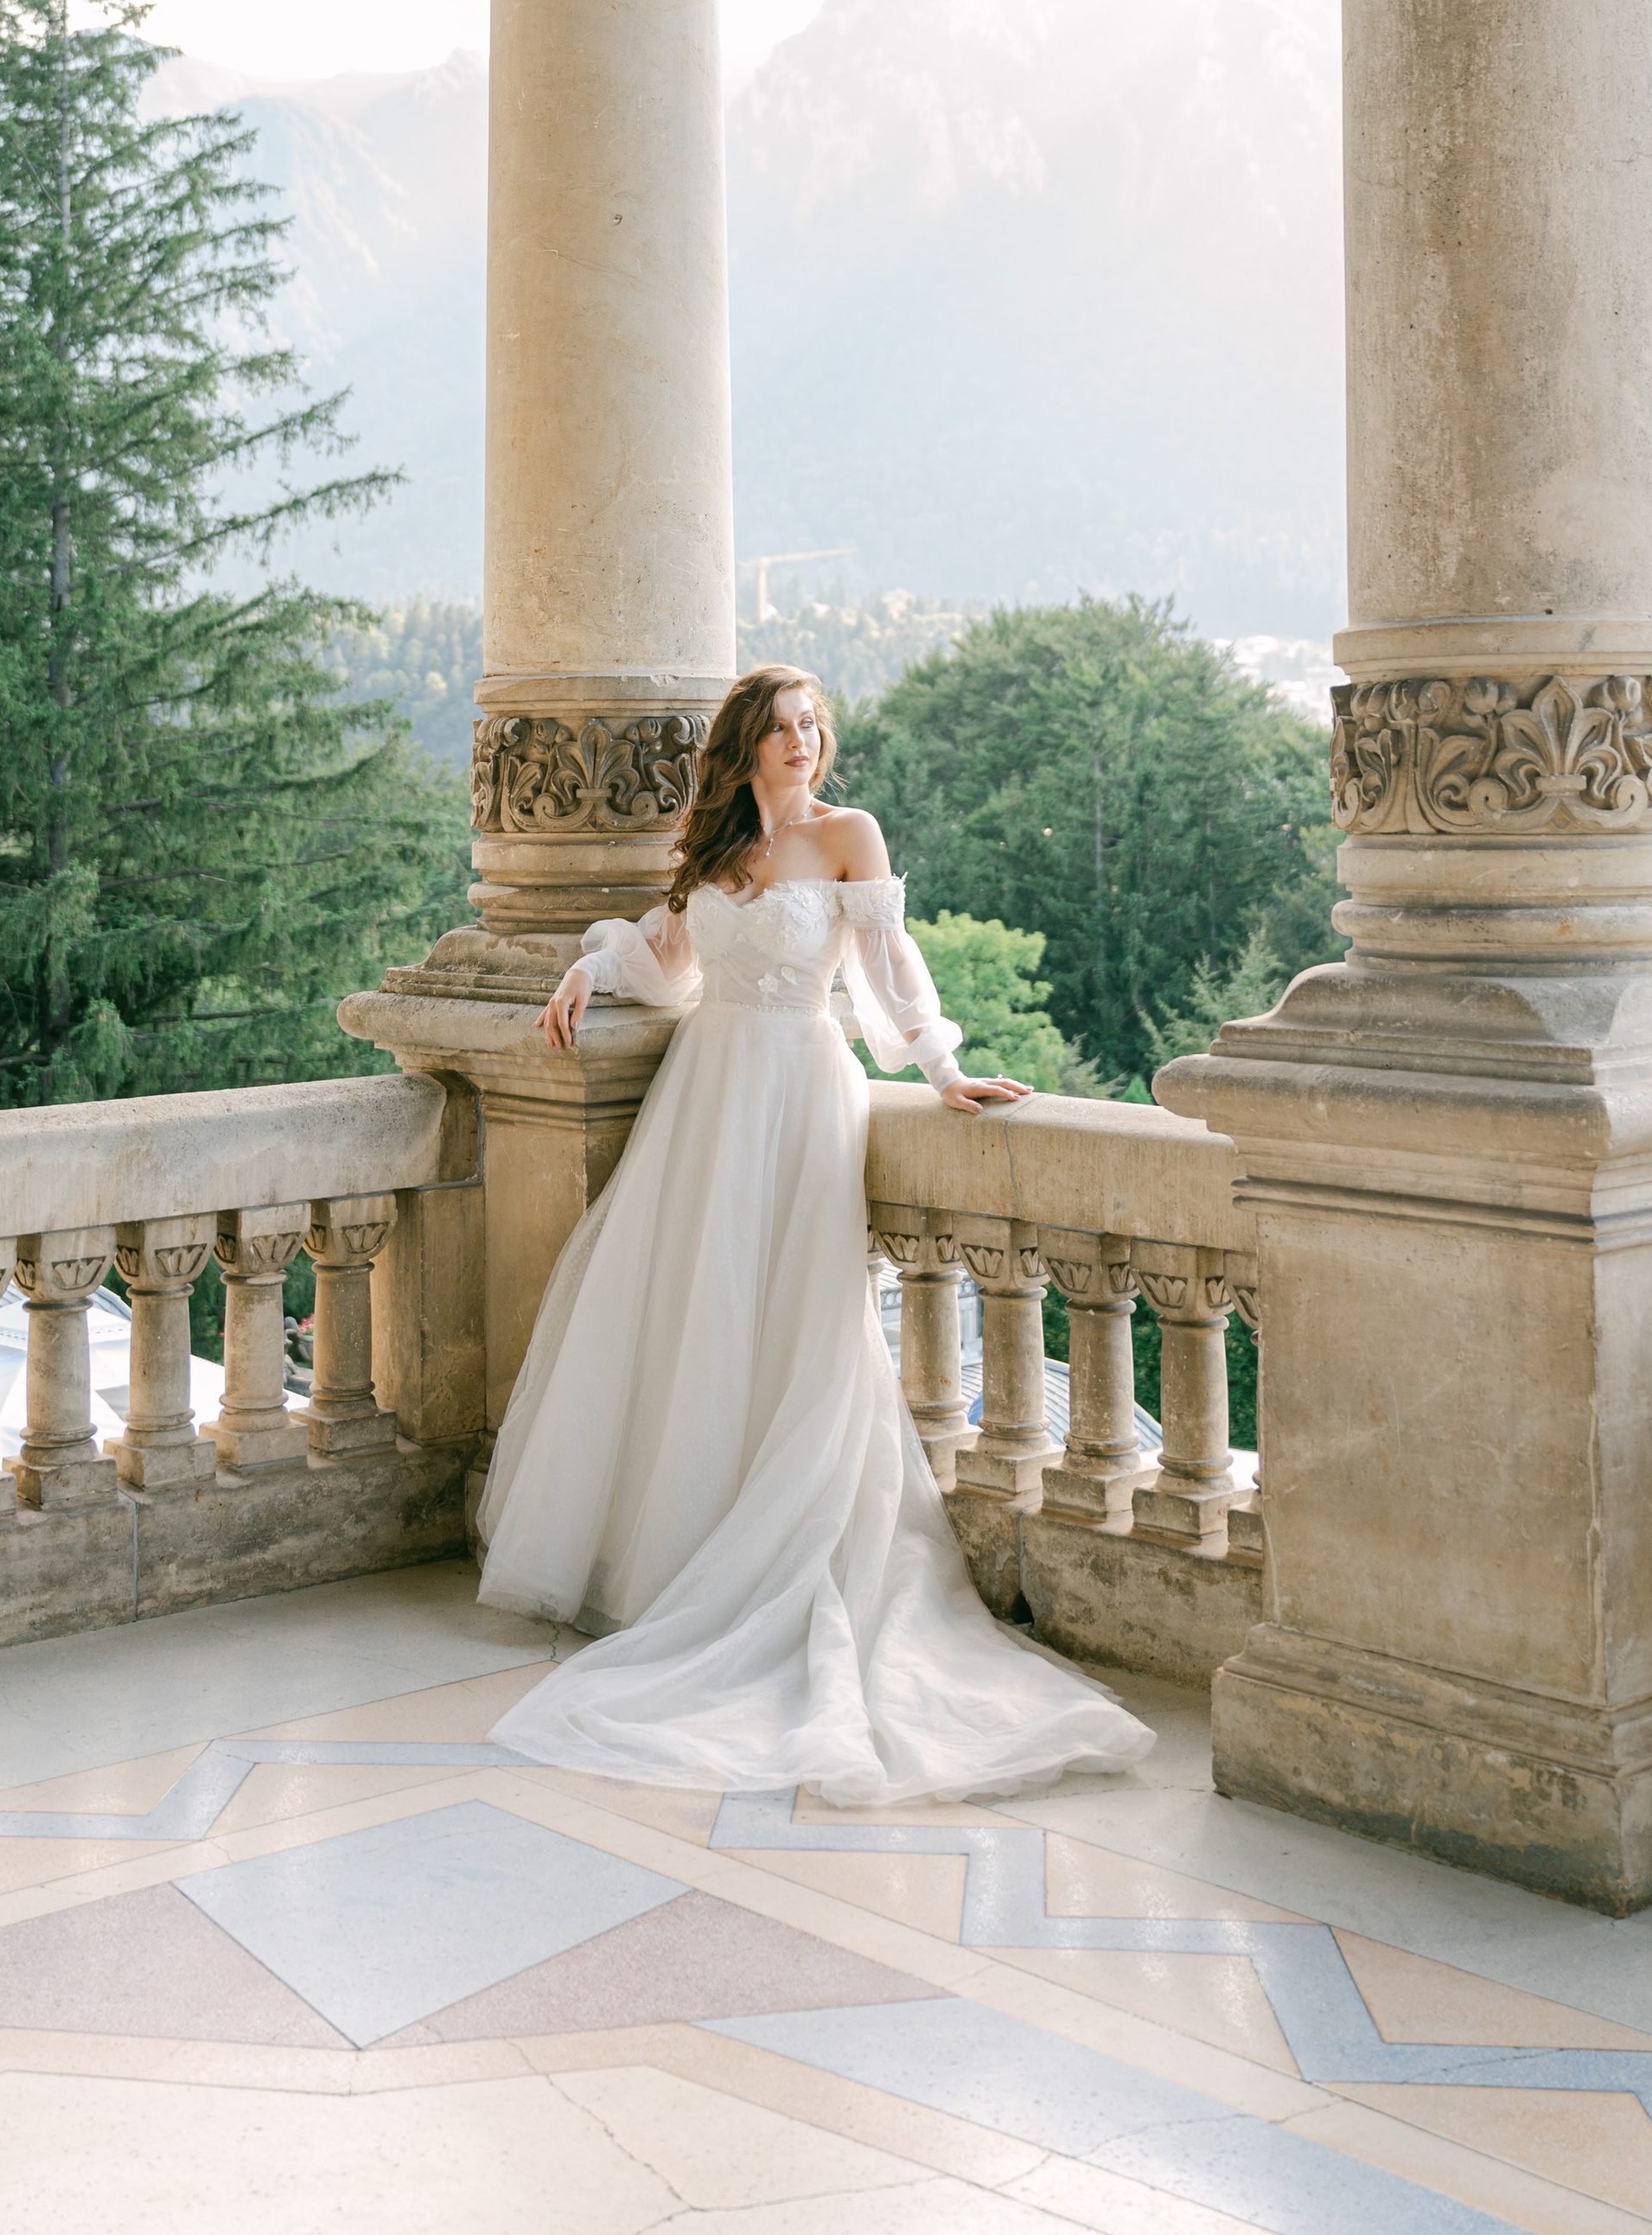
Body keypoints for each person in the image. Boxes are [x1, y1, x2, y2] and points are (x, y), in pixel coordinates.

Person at [476, 662, 1151, 1805]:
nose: (803, 743)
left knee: (799, 1322)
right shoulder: (717, 851)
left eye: (812, 726)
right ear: (744, 745)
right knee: (694, 1309)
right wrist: (589, 970)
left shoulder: (849, 837)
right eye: (783, 729)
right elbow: (667, 954)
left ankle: (782, 1559)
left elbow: (891, 970)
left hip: (800, 1093)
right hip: (706, 1097)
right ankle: (688, 1556)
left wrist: (941, 1066)